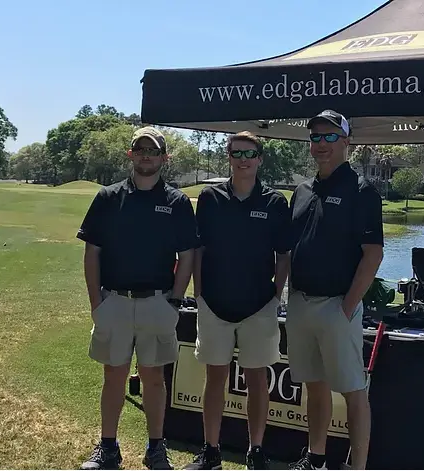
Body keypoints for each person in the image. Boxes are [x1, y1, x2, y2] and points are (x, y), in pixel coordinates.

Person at [77, 126, 198, 470]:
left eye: (153, 150)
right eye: (140, 149)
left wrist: (175, 300)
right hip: (113, 301)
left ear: (164, 158)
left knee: (154, 379)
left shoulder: (175, 202)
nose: (146, 155)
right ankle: (108, 448)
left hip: (157, 302)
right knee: (113, 377)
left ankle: (156, 448)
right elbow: (92, 253)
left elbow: (187, 255)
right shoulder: (108, 198)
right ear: (130, 154)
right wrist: (95, 302)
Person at [185, 131, 291, 470]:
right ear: (228, 157)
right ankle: (211, 451)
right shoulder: (210, 198)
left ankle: (255, 451)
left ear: (260, 158)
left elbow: (283, 255)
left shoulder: (275, 202)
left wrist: (275, 294)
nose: (243, 160)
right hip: (214, 304)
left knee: (257, 379)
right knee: (215, 378)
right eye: (237, 153)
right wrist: (198, 292)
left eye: (250, 154)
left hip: (259, 306)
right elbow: (198, 250)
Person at [286, 110, 384, 470]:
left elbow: (373, 254)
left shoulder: (361, 191)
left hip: (336, 306)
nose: (321, 144)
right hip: (299, 303)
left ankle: (356, 466)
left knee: (354, 391)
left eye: (329, 137)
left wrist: (347, 307)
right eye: (315, 138)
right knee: (314, 385)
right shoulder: (302, 191)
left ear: (346, 141)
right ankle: (316, 458)